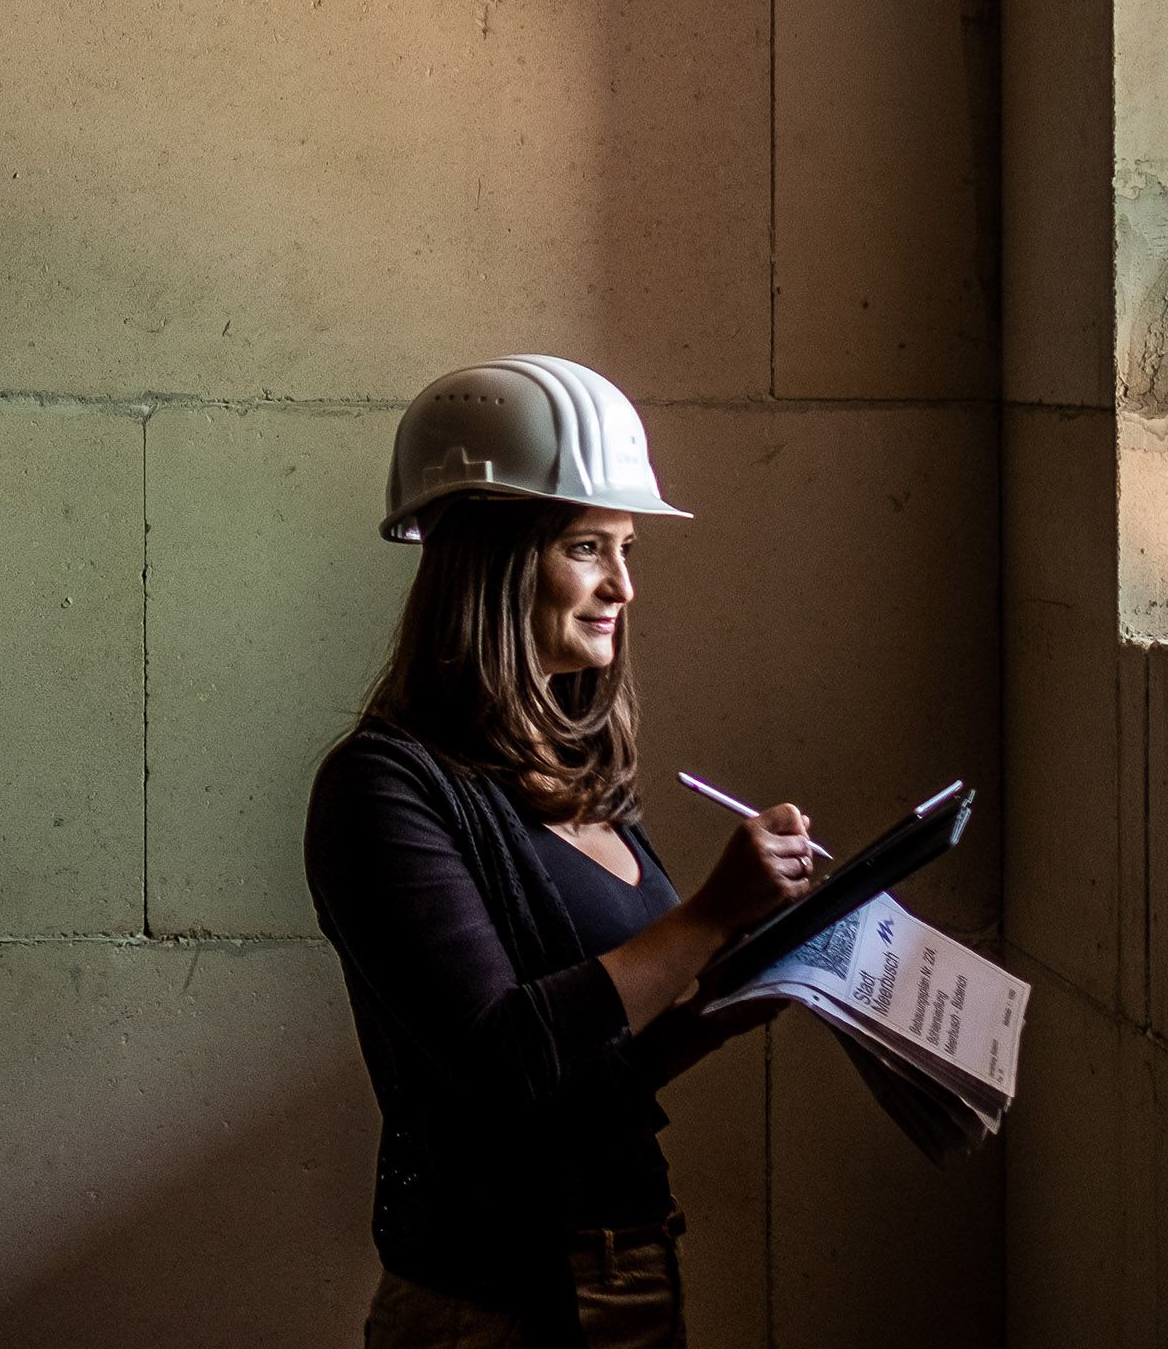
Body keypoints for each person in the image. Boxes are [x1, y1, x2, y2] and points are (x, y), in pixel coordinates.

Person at [304, 356, 820, 1349]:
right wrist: (709, 914)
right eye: (588, 546)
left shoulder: (577, 775)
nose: (623, 584)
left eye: (626, 547)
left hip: (619, 1267)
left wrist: (732, 996)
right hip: (491, 1302)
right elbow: (503, 1057)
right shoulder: (383, 789)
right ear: (492, 559)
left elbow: (590, 1066)